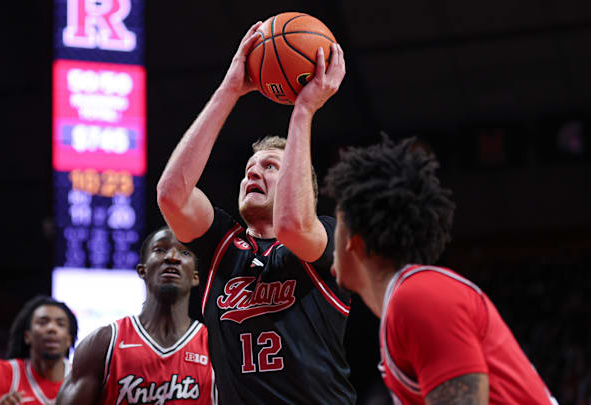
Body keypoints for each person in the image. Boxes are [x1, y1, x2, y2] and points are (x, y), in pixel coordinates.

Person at [156, 22, 356, 404]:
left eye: (270, 166)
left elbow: (293, 224)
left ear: (301, 186)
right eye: (250, 167)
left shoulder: (326, 236)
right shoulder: (223, 246)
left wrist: (304, 111)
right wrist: (229, 90)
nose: (253, 171)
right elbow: (171, 195)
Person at [323, 136, 558, 404]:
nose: (332, 237)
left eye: (337, 224)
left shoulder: (418, 296)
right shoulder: (406, 302)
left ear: (356, 240)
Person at [55, 227, 215, 405]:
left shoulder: (216, 347)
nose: (172, 257)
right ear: (142, 270)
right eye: (160, 250)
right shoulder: (103, 343)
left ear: (195, 277)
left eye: (184, 252)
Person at [0, 296, 77, 405]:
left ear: (69, 339)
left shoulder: (80, 377)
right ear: (27, 336)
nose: (52, 328)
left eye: (60, 324)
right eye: (43, 322)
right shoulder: (4, 373)